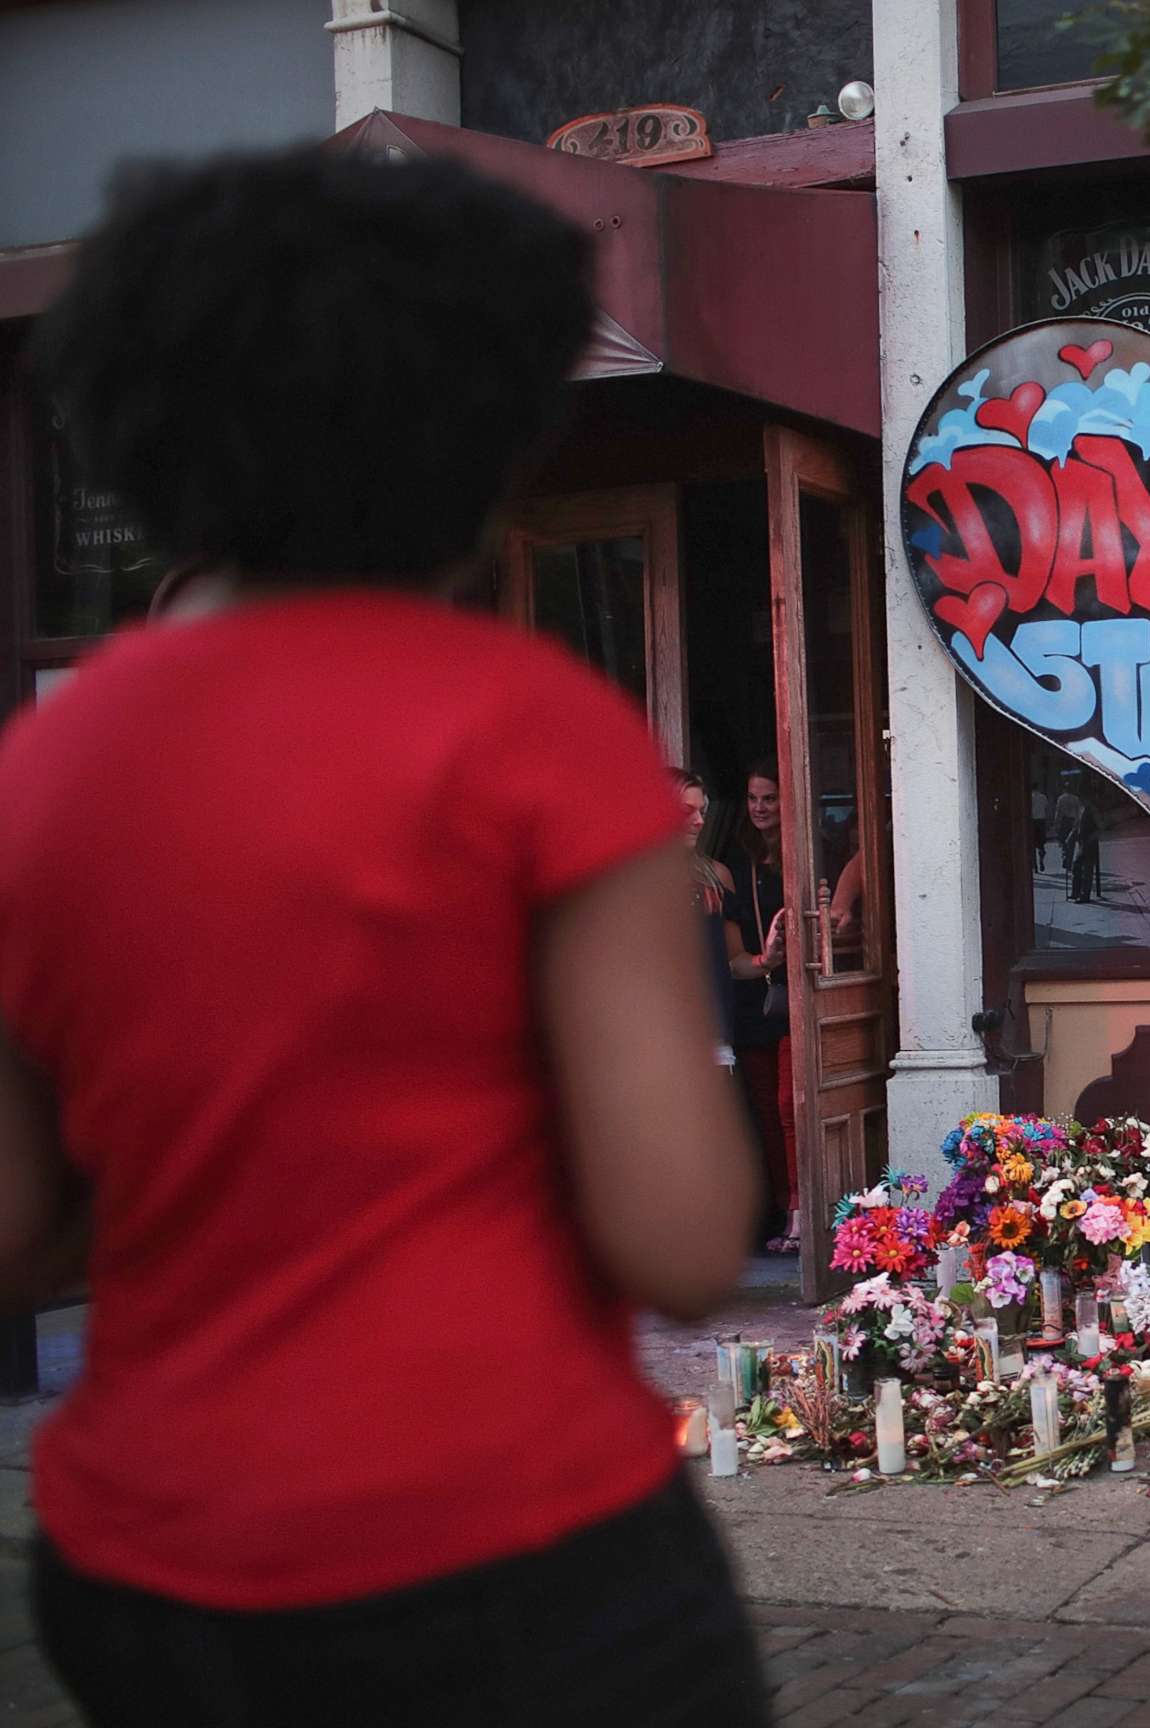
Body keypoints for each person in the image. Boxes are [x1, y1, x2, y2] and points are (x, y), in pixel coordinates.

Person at [0, 148, 766, 1724]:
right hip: (513, 1548)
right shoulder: (536, 732)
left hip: (152, 1565)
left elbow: (15, 1224)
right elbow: (683, 1240)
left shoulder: (39, 772)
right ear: (479, 437)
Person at [722, 764, 796, 1251]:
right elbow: (730, 954)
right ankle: (778, 1211)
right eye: (753, 799)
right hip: (753, 994)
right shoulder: (734, 861)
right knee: (766, 1112)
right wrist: (764, 956)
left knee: (792, 1106)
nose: (761, 808)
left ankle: (799, 1210)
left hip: (797, 997)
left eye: (769, 798)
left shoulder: (801, 852)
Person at [675, 772, 741, 1072]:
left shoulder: (715, 877)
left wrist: (768, 958)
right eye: (687, 811)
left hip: (712, 1037)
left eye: (702, 810)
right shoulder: (631, 882)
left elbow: (734, 960)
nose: (700, 821)